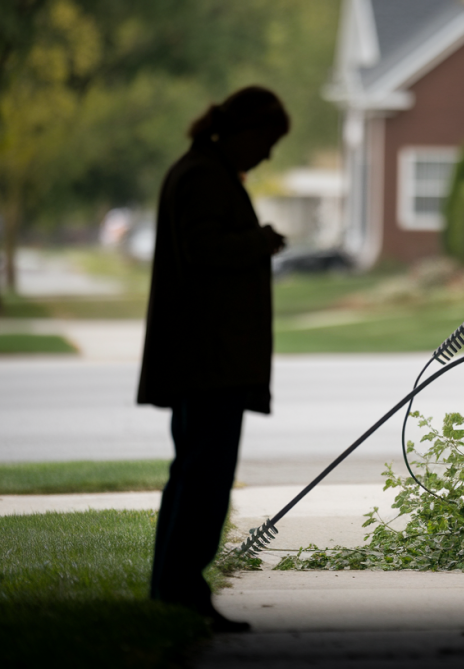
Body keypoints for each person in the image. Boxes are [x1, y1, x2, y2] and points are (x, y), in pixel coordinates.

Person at [137, 86, 288, 632]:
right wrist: (258, 242)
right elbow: (202, 251)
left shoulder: (202, 170)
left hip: (206, 357)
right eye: (267, 141)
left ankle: (172, 586)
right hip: (208, 359)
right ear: (245, 131)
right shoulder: (203, 176)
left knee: (194, 472)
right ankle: (179, 588)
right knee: (204, 475)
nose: (268, 154)